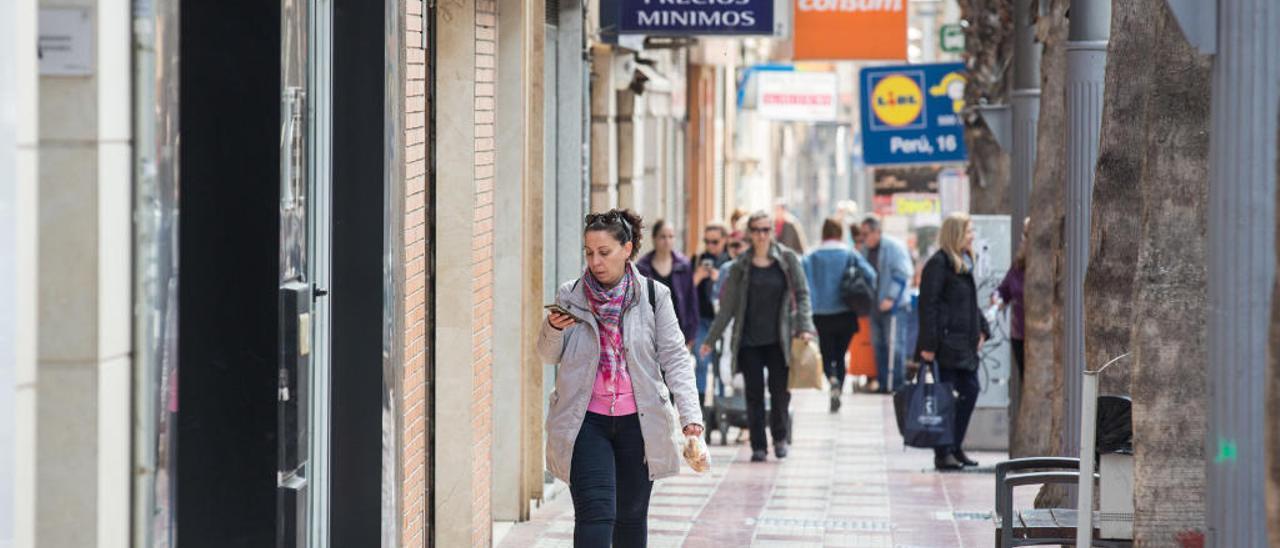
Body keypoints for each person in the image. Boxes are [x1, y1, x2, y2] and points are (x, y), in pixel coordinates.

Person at [539, 209, 704, 546]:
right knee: (595, 515)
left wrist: (691, 418)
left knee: (630, 520)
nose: (595, 262)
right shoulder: (571, 295)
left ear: (627, 249)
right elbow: (546, 355)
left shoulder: (654, 297)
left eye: (604, 252)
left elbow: (674, 358)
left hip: (638, 423)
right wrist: (553, 329)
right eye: (589, 253)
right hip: (585, 421)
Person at [701, 211, 816, 462]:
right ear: (750, 234)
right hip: (749, 340)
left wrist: (805, 327)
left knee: (780, 392)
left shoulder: (787, 260)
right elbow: (728, 306)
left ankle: (780, 438)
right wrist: (710, 339)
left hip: (780, 339)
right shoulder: (741, 265)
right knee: (753, 393)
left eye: (766, 230)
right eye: (757, 231)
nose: (762, 235)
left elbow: (803, 294)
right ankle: (758, 446)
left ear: (772, 232)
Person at [916, 212, 990, 471]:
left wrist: (983, 329)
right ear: (956, 234)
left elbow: (970, 304)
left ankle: (954, 445)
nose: (972, 236)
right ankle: (943, 451)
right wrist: (928, 345)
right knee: (945, 397)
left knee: (969, 390)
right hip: (945, 345)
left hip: (964, 344)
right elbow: (928, 305)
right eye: (969, 231)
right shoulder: (939, 264)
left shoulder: (963, 263)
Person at [804, 217, 876, 413]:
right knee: (842, 353)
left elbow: (802, 283)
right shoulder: (849, 254)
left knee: (826, 353)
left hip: (821, 313)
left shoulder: (812, 256)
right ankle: (839, 387)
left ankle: (832, 379)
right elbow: (870, 275)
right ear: (840, 233)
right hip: (846, 311)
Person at [859, 215, 914, 393]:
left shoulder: (893, 247)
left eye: (867, 233)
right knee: (878, 345)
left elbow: (902, 274)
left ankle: (896, 385)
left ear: (877, 232)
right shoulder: (865, 251)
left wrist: (891, 298)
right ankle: (883, 383)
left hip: (895, 307)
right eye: (862, 234)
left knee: (895, 346)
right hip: (875, 306)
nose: (864, 237)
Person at [637, 220, 700, 347]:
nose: (667, 241)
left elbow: (691, 300)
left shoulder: (683, 265)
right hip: (651, 333)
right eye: (663, 237)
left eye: (671, 236)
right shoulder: (642, 267)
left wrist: (691, 334)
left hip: (678, 331)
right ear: (654, 238)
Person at [691, 222, 732, 402]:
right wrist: (697, 277)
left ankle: (721, 403)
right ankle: (700, 405)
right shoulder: (697, 260)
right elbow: (685, 293)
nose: (710, 246)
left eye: (715, 242)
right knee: (701, 361)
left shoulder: (730, 262)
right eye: (707, 242)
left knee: (721, 363)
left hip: (723, 321)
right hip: (702, 319)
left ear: (724, 240)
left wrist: (719, 279)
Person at [996, 218, 1029, 381]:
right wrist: (998, 299)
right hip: (1020, 335)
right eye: (1025, 234)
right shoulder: (1019, 265)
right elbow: (1004, 290)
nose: (1025, 239)